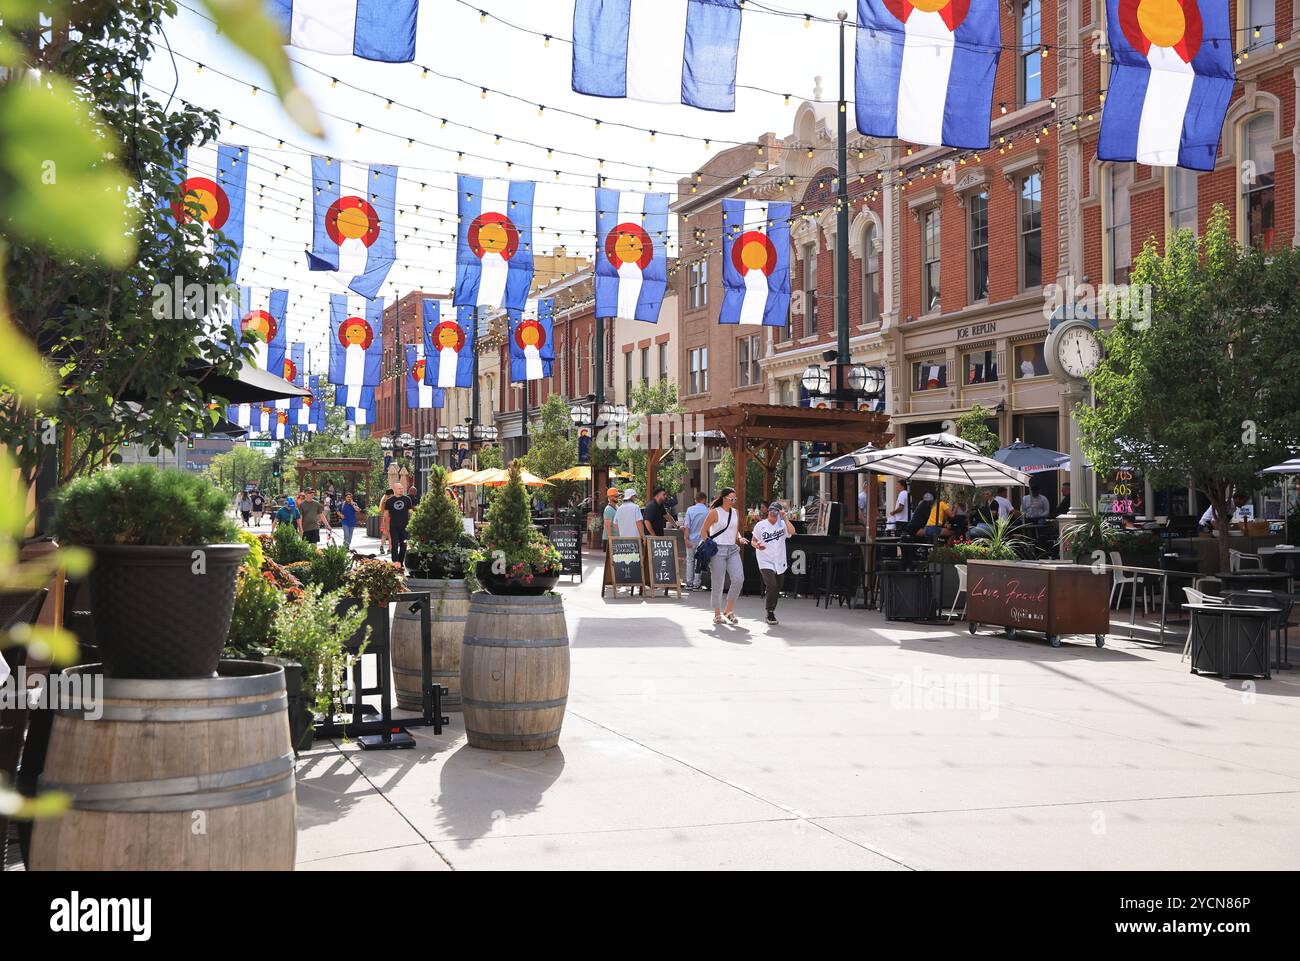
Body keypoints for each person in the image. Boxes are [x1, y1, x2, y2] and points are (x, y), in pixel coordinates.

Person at [703, 488, 750, 625]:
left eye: (735, 499)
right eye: (731, 499)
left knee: (739, 578)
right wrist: (708, 544)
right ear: (724, 498)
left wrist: (740, 538)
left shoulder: (735, 512)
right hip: (717, 549)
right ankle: (717, 613)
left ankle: (728, 610)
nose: (734, 501)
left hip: (732, 549)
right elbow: (703, 530)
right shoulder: (715, 512)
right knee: (718, 582)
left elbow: (735, 531)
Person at [752, 501, 794, 624]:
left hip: (779, 559)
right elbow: (753, 541)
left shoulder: (782, 524)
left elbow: (792, 531)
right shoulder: (761, 525)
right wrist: (757, 545)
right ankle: (770, 612)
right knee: (772, 585)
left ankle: (770, 597)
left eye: (776, 512)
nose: (773, 515)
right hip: (765, 559)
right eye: (771, 512)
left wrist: (785, 518)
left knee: (778, 585)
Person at [683, 491, 710, 590]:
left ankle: (689, 582)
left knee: (690, 560)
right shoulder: (708, 511)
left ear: (695, 500)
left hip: (690, 539)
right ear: (704, 499)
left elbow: (687, 526)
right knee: (699, 561)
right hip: (702, 540)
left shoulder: (690, 510)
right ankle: (696, 583)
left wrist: (686, 539)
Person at [385, 485, 414, 565]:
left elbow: (410, 512)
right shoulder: (389, 501)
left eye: (402, 488)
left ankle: (400, 563)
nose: (401, 490)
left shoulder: (407, 499)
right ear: (394, 490)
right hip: (393, 526)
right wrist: (386, 526)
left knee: (403, 545)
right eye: (399, 488)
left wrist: (413, 522)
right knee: (394, 544)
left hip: (405, 526)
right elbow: (386, 515)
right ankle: (395, 562)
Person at [378, 487, 394, 554]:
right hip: (389, 519)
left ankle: (381, 546)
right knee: (390, 535)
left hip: (383, 519)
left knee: (384, 534)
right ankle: (390, 549)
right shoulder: (389, 502)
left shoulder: (383, 502)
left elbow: (381, 511)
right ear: (390, 494)